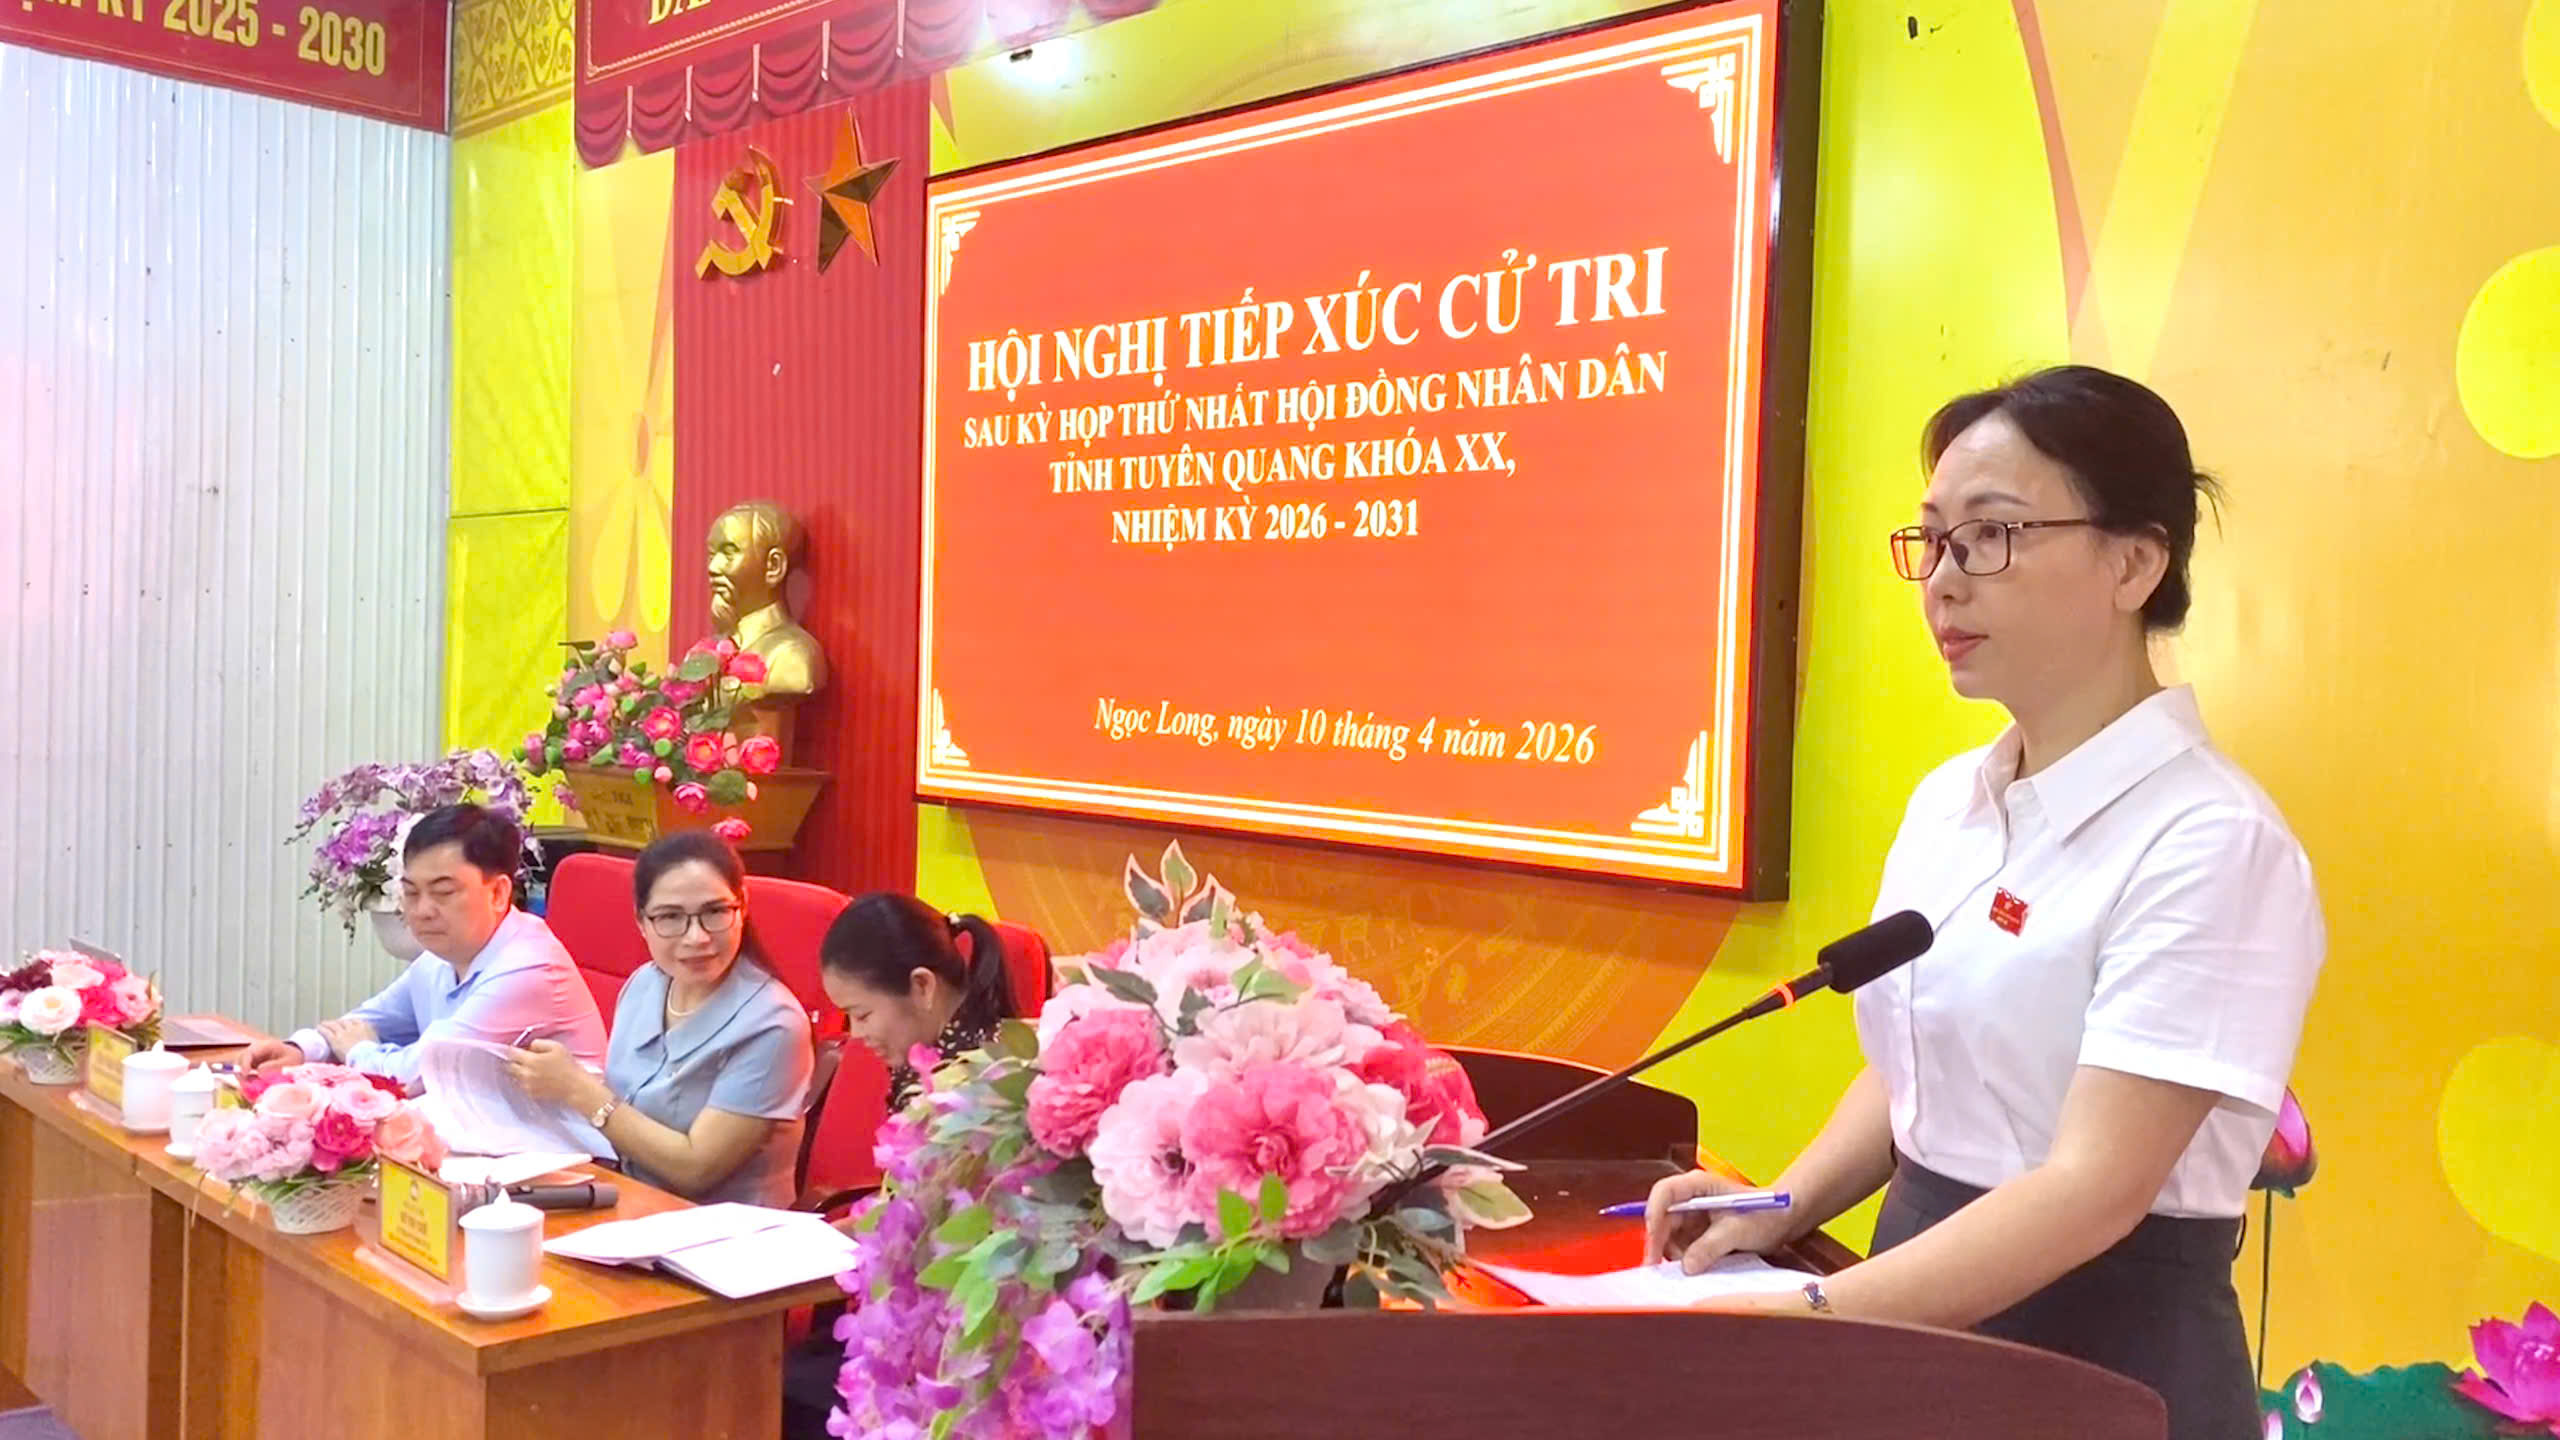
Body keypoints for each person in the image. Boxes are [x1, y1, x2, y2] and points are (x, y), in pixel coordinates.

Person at [1644, 366, 2324, 1440]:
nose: (1943, 583)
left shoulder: (2210, 841)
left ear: (2135, 562)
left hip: (2101, 1354)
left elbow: (2092, 1190)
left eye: (1991, 536)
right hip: (1913, 1313)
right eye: (1932, 542)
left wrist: (1805, 1318)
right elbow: (1919, 1067)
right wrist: (1779, 1207)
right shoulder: (1951, 802)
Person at [781, 893, 1035, 1440]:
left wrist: (840, 1237)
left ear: (922, 986)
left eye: (863, 1013)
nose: (855, 1033)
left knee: (785, 1393)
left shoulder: (986, 1087)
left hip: (968, 1335)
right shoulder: (927, 1059)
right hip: (915, 1302)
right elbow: (905, 1203)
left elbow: (935, 1231)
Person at [502, 831, 814, 1208]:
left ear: (742, 907)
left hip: (717, 1228)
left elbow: (696, 1169)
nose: (697, 937)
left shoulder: (774, 1024)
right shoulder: (644, 984)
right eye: (670, 917)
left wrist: (577, 1089)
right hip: (623, 1200)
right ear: (641, 921)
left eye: (715, 912)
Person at [244, 805, 606, 1083]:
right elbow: (372, 1019)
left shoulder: (529, 968)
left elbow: (420, 1072)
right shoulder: (445, 953)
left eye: (443, 892)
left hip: (560, 1150)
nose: (422, 911)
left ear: (498, 893)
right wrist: (301, 1049)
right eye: (411, 892)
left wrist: (358, 1051)